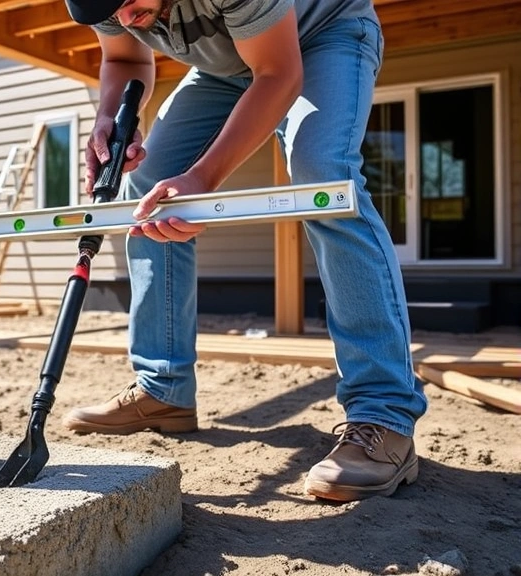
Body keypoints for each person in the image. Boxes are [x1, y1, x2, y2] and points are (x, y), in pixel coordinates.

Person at [59, 0, 428, 502]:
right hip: (228, 64)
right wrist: (109, 116)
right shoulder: (103, 1)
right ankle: (162, 387)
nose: (125, 19)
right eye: (111, 12)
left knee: (324, 180)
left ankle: (383, 414)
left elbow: (276, 73)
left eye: (131, 3)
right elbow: (125, 60)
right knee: (146, 181)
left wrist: (202, 179)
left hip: (322, 34)